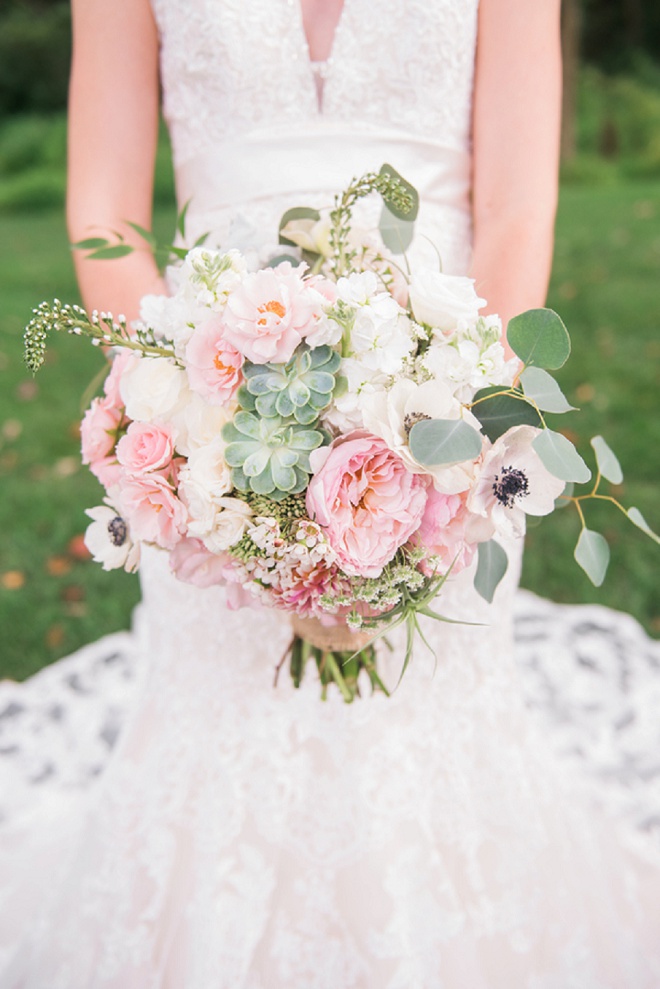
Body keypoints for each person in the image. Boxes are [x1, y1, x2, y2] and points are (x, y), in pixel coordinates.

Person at [1, 0, 659, 985]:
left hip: (443, 402)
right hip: (209, 399)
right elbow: (103, 207)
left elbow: (520, 205)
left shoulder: (457, 428)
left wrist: (462, 435)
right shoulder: (193, 426)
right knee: (224, 728)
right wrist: (182, 420)